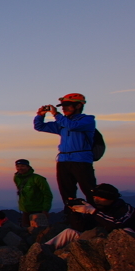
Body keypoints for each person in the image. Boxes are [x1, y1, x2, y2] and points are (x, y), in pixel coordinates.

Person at [34, 93, 97, 227]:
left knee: (89, 190)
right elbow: (40, 127)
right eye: (63, 106)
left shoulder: (87, 120)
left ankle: (97, 219)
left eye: (67, 105)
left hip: (81, 160)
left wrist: (56, 115)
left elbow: (72, 126)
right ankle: (72, 220)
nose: (64, 108)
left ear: (79, 105)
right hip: (63, 160)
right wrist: (40, 115)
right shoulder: (63, 123)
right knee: (67, 192)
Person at [44, 183, 135, 249]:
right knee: (69, 232)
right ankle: (43, 250)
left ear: (110, 198)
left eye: (100, 197)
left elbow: (117, 224)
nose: (96, 200)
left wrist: (93, 212)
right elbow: (81, 228)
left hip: (118, 242)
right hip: (97, 239)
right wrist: (75, 212)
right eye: (94, 197)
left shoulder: (126, 208)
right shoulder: (96, 208)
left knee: (126, 231)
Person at [13, 159, 53, 228]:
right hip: (25, 210)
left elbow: (47, 194)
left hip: (38, 210)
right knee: (25, 232)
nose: (20, 168)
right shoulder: (17, 178)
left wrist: (45, 210)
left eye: (22, 166)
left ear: (28, 167)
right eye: (18, 166)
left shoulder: (38, 179)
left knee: (39, 233)